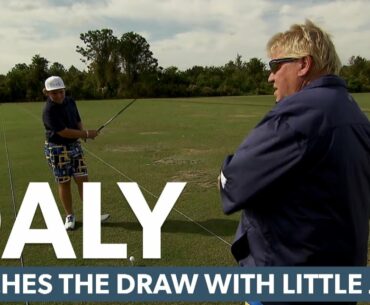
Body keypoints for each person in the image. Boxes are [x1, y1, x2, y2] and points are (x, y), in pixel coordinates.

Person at [219, 20, 370, 304]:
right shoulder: (354, 113)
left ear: (303, 65)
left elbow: (233, 184)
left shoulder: (299, 113)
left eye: (276, 66)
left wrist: (223, 174)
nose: (270, 77)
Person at [42, 76, 110, 230]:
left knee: (83, 179)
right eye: (54, 93)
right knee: (64, 182)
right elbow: (63, 132)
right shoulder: (48, 111)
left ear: (64, 90)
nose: (59, 95)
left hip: (74, 147)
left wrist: (81, 132)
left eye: (61, 92)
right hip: (57, 149)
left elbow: (77, 119)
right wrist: (85, 134)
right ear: (46, 92)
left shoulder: (70, 101)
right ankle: (70, 216)